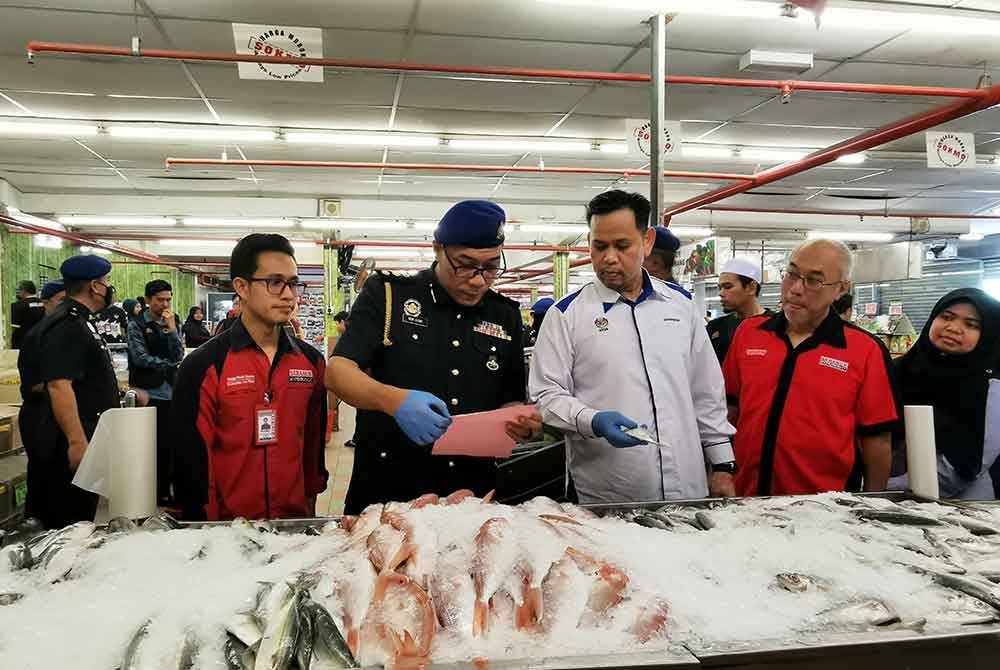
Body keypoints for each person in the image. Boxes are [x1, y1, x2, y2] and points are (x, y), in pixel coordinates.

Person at [327, 200, 543, 513]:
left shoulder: (505, 315)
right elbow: (337, 372)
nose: (478, 279)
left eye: (491, 267)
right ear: (437, 249)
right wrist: (393, 400)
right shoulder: (388, 296)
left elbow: (509, 399)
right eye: (465, 264)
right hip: (388, 493)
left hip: (471, 498)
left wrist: (521, 421)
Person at [529, 190, 736, 504]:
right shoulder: (566, 315)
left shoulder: (680, 306)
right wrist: (590, 420)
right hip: (609, 496)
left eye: (622, 245)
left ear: (647, 241)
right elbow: (545, 395)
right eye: (599, 246)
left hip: (687, 488)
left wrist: (722, 463)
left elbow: (705, 390)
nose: (609, 258)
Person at [723, 239, 899, 497]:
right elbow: (729, 410)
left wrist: (872, 505)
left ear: (841, 289)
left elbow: (876, 440)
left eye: (814, 281)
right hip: (745, 498)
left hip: (824, 510)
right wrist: (720, 470)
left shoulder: (865, 351)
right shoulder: (749, 334)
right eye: (791, 274)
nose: (795, 289)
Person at [172, 234, 328, 521]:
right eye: (275, 282)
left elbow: (313, 448)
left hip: (290, 527)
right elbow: (192, 463)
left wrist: (308, 515)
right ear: (241, 287)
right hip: (226, 532)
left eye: (293, 283)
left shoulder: (311, 363)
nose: (289, 295)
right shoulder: (204, 366)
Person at [17, 256, 120, 529]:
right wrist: (77, 442)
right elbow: (59, 385)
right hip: (66, 439)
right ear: (95, 287)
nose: (110, 288)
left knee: (80, 512)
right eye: (107, 282)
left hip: (84, 430)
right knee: (67, 520)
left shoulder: (80, 320)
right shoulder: (68, 324)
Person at [890, 289, 1000, 500]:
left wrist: (885, 488)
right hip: (884, 498)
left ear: (988, 335)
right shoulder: (900, 370)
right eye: (946, 317)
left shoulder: (990, 386)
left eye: (971, 325)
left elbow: (967, 466)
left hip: (963, 508)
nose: (953, 328)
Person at [127, 279, 184, 504]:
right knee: (152, 446)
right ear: (149, 300)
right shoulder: (136, 324)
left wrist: (171, 331)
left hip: (172, 391)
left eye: (168, 299)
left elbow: (178, 353)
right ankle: (151, 491)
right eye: (160, 300)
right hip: (149, 393)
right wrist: (168, 364)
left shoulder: (173, 321)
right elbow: (140, 358)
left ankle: (167, 490)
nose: (165, 304)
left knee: (171, 444)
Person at [706, 258, 771, 364]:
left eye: (728, 287)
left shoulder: (776, 326)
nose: (721, 293)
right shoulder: (715, 328)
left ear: (751, 288)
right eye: (720, 288)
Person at [10, 279, 44, 349]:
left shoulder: (16, 306)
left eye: (17, 290)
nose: (17, 293)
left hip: (22, 346)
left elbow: (12, 329)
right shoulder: (45, 304)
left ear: (23, 291)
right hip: (41, 344)